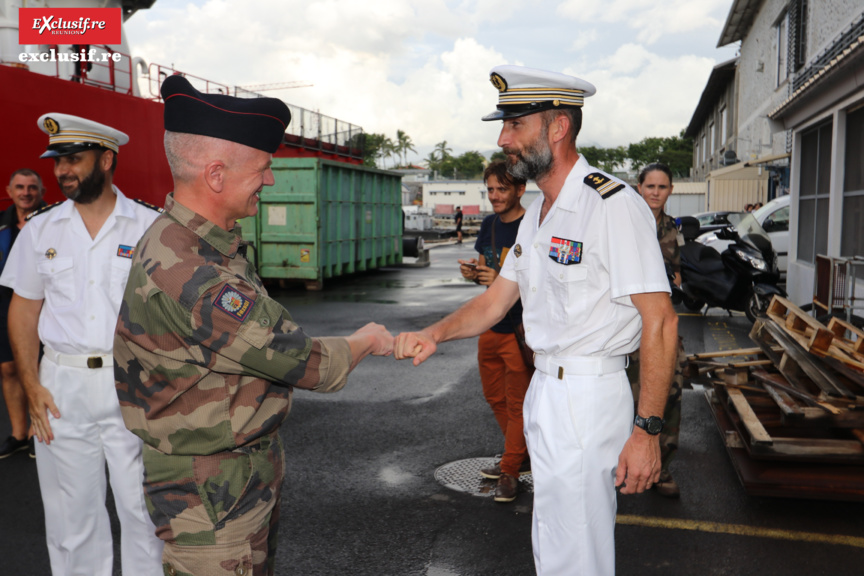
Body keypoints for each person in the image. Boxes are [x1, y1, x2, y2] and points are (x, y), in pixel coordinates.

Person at [395, 65, 678, 576]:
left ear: (557, 128)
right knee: (552, 537)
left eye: (515, 126)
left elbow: (660, 322)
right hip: (545, 391)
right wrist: (433, 333)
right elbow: (494, 303)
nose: (504, 139)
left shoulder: (611, 205)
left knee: (580, 549)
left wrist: (647, 431)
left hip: (589, 396)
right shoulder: (537, 214)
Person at [113, 74, 394, 576]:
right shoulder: (193, 275)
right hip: (212, 499)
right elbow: (306, 362)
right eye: (263, 168)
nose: (269, 180)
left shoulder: (195, 243)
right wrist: (368, 339)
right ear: (216, 174)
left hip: (231, 481)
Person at [0, 114, 164, 575]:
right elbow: (24, 309)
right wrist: (31, 386)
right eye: (58, 162)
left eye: (74, 159)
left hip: (134, 384)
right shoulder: (41, 230)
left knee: (145, 515)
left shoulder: (151, 227)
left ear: (107, 159)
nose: (62, 171)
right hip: (61, 389)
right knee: (72, 521)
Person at [457, 161, 532, 502]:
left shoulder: (533, 225)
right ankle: (518, 454)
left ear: (520, 189)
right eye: (490, 190)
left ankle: (511, 471)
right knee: (494, 397)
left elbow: (540, 281)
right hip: (490, 326)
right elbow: (485, 267)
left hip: (520, 329)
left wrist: (499, 279)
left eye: (502, 189)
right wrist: (474, 274)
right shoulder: (488, 224)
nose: (495, 196)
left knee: (518, 403)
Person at [632, 162, 688, 497]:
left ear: (670, 191)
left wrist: (678, 285)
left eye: (662, 187)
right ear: (639, 187)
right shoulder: (624, 222)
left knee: (671, 391)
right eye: (650, 186)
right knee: (620, 398)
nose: (655, 192)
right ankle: (614, 464)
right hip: (627, 325)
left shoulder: (671, 227)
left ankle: (661, 468)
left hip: (661, 321)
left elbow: (677, 272)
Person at [0, 169, 45, 460]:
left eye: (32, 187)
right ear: (9, 190)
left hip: (42, 304)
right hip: (4, 303)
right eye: (20, 187)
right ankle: (18, 434)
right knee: (8, 369)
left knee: (39, 367)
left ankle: (36, 432)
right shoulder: (2, 225)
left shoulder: (51, 221)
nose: (25, 192)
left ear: (41, 192)